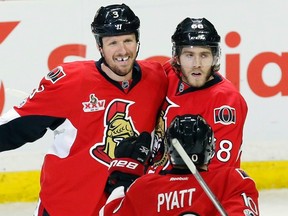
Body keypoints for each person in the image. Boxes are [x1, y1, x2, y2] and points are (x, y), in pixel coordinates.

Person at [0, 3, 167, 216]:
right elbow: (16, 127)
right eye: (113, 42)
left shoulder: (157, 78)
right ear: (100, 46)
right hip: (64, 208)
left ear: (137, 42)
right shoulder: (71, 83)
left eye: (128, 40)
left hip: (122, 209)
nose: (122, 50)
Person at [100, 114, 259, 215]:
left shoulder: (143, 187)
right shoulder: (231, 180)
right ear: (211, 149)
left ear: (168, 151)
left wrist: (122, 182)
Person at [151, 17, 248, 171]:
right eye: (189, 55)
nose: (197, 63)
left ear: (214, 56)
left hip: (192, 192)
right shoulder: (167, 74)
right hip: (155, 185)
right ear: (176, 57)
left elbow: (217, 172)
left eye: (204, 55)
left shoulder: (226, 102)